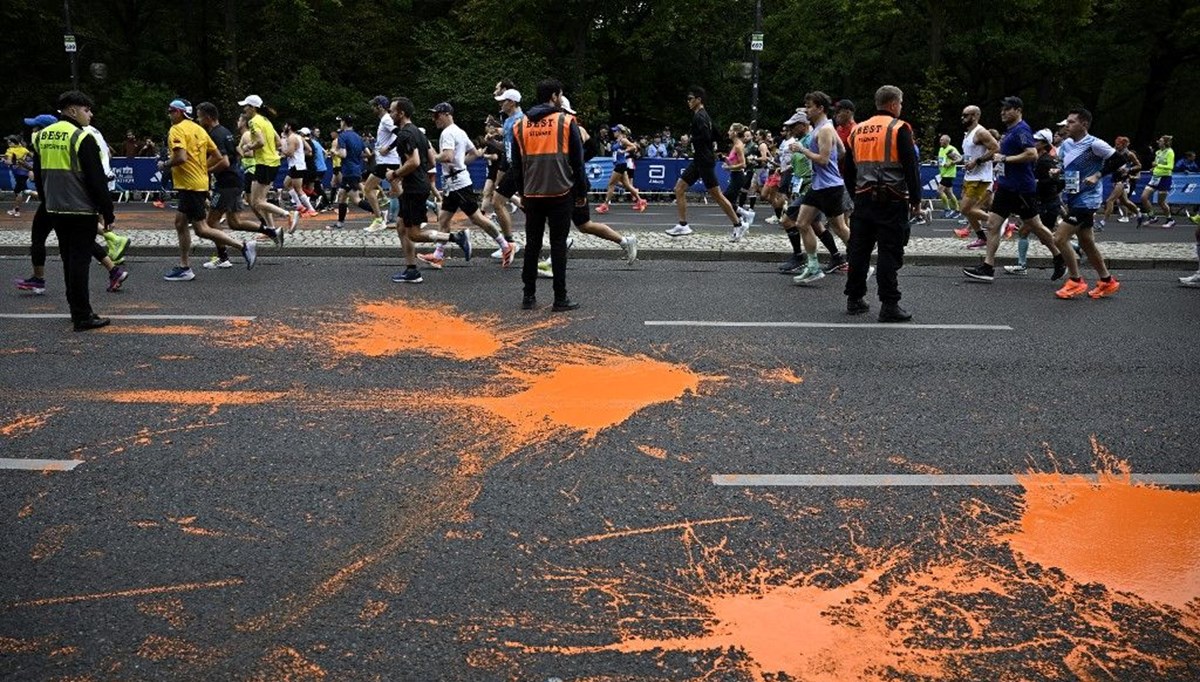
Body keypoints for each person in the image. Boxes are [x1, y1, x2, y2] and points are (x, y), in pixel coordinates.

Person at [15, 113, 127, 296]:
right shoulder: (71, 139)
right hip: (71, 200)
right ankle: (114, 270)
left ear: (44, 129)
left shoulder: (45, 143)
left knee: (39, 238)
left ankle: (39, 279)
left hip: (53, 201)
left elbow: (41, 173)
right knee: (81, 239)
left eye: (36, 127)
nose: (33, 131)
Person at [32, 91, 115, 331]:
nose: (90, 114)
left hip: (54, 207)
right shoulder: (81, 137)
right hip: (80, 208)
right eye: (86, 109)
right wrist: (106, 211)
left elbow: (39, 175)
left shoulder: (41, 137)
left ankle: (74, 309)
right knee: (79, 262)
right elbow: (96, 179)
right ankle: (82, 315)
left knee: (68, 258)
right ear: (72, 110)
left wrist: (47, 200)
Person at [963, 96, 1065, 283]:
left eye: (1007, 109)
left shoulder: (1022, 130)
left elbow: (1032, 154)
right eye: (1002, 110)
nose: (1003, 112)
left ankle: (1059, 257)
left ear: (1018, 110)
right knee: (993, 225)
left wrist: (1004, 159)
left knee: (1037, 227)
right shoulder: (1010, 131)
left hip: (1021, 189)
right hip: (1006, 186)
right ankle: (987, 268)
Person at [842, 85, 920, 322]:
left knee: (858, 251)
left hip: (863, 199)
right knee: (889, 251)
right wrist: (915, 200)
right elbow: (910, 167)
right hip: (892, 199)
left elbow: (847, 169)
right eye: (901, 104)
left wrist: (855, 194)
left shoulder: (857, 131)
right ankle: (889, 304)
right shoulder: (899, 128)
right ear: (894, 104)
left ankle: (854, 299)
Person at [510, 78, 587, 311]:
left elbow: (517, 165)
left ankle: (528, 296)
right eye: (560, 95)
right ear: (554, 96)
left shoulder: (520, 126)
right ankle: (560, 298)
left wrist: (522, 194)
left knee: (532, 244)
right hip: (560, 192)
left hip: (532, 194)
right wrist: (581, 192)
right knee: (558, 244)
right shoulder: (565, 121)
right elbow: (578, 162)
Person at [160, 98, 257, 281]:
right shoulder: (199, 130)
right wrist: (201, 168)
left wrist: (164, 164)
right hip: (197, 183)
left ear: (180, 112)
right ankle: (184, 266)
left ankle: (242, 246)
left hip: (190, 185)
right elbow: (218, 156)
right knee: (180, 223)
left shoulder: (177, 129)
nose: (169, 114)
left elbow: (180, 157)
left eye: (171, 111)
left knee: (202, 229)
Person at [386, 97, 471, 282]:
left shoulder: (405, 135)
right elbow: (431, 161)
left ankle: (456, 238)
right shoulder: (418, 133)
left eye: (392, 111)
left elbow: (414, 161)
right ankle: (411, 270)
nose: (390, 114)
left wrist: (395, 174)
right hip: (419, 184)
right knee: (401, 226)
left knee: (414, 234)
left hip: (414, 188)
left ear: (401, 113)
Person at [428, 102, 516, 265]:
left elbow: (447, 156)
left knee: (477, 218)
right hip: (453, 182)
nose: (434, 119)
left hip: (458, 184)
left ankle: (505, 246)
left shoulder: (447, 133)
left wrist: (432, 156)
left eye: (437, 115)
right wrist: (460, 164)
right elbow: (474, 153)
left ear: (447, 114)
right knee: (443, 219)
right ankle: (438, 255)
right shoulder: (459, 131)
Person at [196, 101, 282, 269]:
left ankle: (224, 257)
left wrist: (205, 171)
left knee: (210, 223)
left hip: (226, 183)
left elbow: (225, 162)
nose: (198, 121)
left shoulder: (215, 134)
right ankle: (271, 231)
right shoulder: (225, 131)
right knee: (234, 222)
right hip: (235, 180)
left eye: (199, 117)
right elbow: (236, 154)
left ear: (207, 117)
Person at [1050, 108, 1124, 299]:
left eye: (1071, 122)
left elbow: (1119, 160)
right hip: (1073, 196)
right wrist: (1058, 172)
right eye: (1067, 121)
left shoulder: (1094, 144)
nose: (1067, 125)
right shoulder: (1066, 144)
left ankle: (1075, 281)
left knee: (1059, 238)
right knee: (1087, 242)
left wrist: (1098, 175)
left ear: (1084, 124)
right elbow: (1066, 166)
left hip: (1088, 199)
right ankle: (1107, 281)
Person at [666, 86, 747, 237]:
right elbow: (716, 134)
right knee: (679, 188)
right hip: (700, 160)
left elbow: (705, 137)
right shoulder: (704, 116)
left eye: (690, 99)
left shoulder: (700, 117)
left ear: (698, 100)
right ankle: (683, 225)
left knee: (717, 195)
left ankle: (738, 224)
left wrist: (689, 139)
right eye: (688, 99)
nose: (688, 102)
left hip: (703, 160)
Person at [791, 91, 852, 285]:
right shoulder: (826, 127)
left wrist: (802, 150)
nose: (806, 110)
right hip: (820, 186)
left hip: (829, 187)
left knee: (840, 228)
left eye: (809, 107)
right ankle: (814, 267)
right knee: (801, 223)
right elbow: (841, 150)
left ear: (820, 108)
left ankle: (862, 262)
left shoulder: (825, 129)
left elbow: (824, 160)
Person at [1004, 129, 1062, 276]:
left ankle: (1069, 253)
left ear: (1044, 144)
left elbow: (1057, 181)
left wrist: (1039, 185)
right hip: (1040, 203)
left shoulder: (1046, 161)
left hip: (1047, 204)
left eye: (1036, 140)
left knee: (1046, 238)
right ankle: (1022, 265)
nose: (1032, 142)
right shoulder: (1035, 159)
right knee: (1025, 232)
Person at [238, 95, 297, 234]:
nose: (244, 109)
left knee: (257, 202)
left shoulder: (254, 122)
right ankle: (271, 229)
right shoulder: (266, 121)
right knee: (259, 200)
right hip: (271, 163)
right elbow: (278, 141)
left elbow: (260, 142)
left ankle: (288, 214)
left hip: (264, 163)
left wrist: (248, 147)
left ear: (252, 108)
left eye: (246, 106)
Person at [363, 95, 400, 232]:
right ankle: (417, 216)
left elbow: (400, 133)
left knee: (367, 188)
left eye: (374, 105)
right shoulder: (385, 120)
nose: (372, 108)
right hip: (389, 161)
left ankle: (379, 219)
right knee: (399, 191)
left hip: (387, 161)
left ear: (379, 106)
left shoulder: (386, 120)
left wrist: (388, 148)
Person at [326, 115, 368, 229]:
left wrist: (334, 152)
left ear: (344, 123)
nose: (340, 124)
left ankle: (377, 212)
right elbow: (367, 153)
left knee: (355, 199)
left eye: (341, 122)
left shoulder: (343, 136)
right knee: (342, 196)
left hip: (349, 170)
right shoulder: (358, 137)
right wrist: (355, 156)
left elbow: (343, 154)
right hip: (355, 169)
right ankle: (340, 223)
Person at [596, 125, 648, 214]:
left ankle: (605, 205)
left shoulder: (623, 140)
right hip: (619, 164)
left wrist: (624, 151)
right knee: (627, 185)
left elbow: (633, 147)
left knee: (611, 184)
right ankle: (640, 200)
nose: (614, 133)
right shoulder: (617, 141)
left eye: (615, 131)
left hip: (621, 164)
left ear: (620, 132)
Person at [1099, 136, 1141, 229]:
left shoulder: (1129, 154)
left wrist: (1129, 169)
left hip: (1123, 180)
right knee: (1125, 202)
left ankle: (1103, 222)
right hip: (1115, 178)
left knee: (1110, 200)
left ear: (1123, 145)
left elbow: (1139, 166)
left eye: (1118, 144)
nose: (1116, 146)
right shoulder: (1114, 152)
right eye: (1116, 144)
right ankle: (1139, 214)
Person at [1138, 135, 1175, 227]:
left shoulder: (1170, 152)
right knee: (1143, 197)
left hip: (1164, 178)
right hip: (1155, 177)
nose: (1158, 142)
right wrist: (1153, 168)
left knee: (1161, 202)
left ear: (1165, 143)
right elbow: (1156, 164)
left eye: (1161, 141)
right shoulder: (1158, 152)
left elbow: (1170, 167)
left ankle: (1170, 220)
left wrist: (1157, 165)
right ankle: (1152, 217)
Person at [5, 134, 32, 217]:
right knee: (21, 190)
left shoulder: (10, 151)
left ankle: (16, 211)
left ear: (14, 142)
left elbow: (9, 162)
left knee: (19, 191)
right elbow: (32, 156)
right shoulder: (24, 149)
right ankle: (15, 210)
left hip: (18, 173)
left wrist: (7, 161)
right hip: (24, 173)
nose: (8, 144)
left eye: (10, 142)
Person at [936, 134, 962, 218]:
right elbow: (941, 160)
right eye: (940, 140)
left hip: (949, 174)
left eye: (942, 140)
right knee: (949, 193)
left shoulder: (951, 149)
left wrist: (951, 163)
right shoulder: (941, 149)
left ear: (947, 141)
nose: (940, 141)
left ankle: (947, 209)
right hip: (943, 173)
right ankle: (958, 209)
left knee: (940, 191)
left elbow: (959, 158)